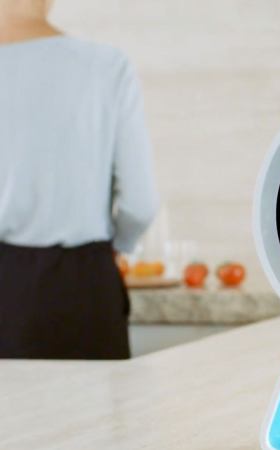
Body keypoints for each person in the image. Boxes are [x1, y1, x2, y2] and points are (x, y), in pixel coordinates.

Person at [0, 0, 159, 359]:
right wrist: (120, 244)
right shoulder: (107, 66)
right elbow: (141, 204)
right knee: (96, 397)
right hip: (84, 282)